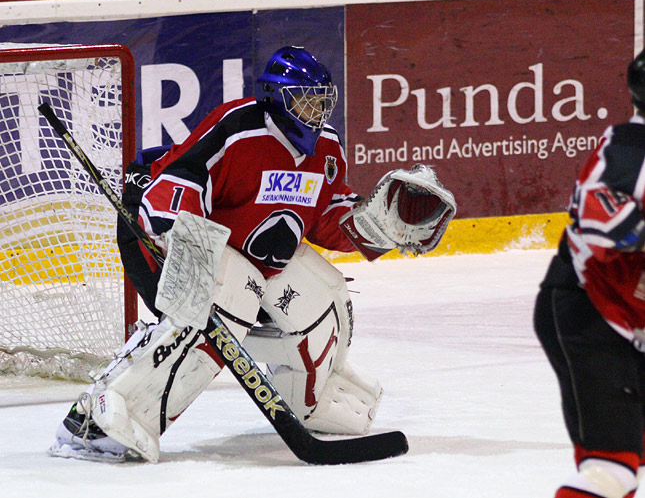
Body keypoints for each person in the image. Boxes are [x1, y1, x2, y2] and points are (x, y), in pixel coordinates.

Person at [47, 46, 456, 463]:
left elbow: (324, 216)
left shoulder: (327, 148)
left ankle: (309, 400)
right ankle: (97, 423)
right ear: (278, 97)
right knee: (228, 293)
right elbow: (181, 180)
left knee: (323, 293)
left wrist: (377, 227)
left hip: (248, 259)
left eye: (320, 99)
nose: (315, 110)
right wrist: (181, 237)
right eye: (304, 98)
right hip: (158, 232)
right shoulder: (240, 128)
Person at [534, 49, 645, 498]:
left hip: (620, 310)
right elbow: (600, 218)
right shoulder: (630, 148)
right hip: (593, 312)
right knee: (612, 469)